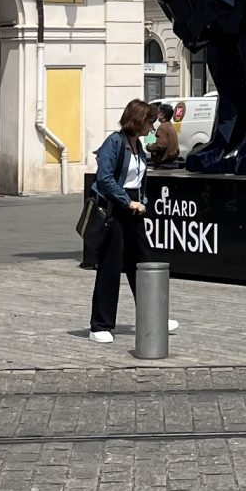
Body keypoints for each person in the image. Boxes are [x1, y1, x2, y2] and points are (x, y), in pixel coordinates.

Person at [88, 98, 179, 344]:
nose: (152, 127)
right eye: (150, 122)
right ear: (138, 121)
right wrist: (127, 202)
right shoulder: (114, 142)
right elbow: (105, 178)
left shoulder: (137, 144)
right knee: (110, 266)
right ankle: (100, 325)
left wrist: (141, 200)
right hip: (116, 209)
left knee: (143, 264)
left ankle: (155, 317)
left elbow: (139, 178)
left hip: (135, 209)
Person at [149, 102, 183, 168]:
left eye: (158, 113)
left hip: (164, 164)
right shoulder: (170, 126)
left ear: (162, 115)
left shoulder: (163, 127)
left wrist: (149, 147)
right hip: (172, 162)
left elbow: (161, 145)